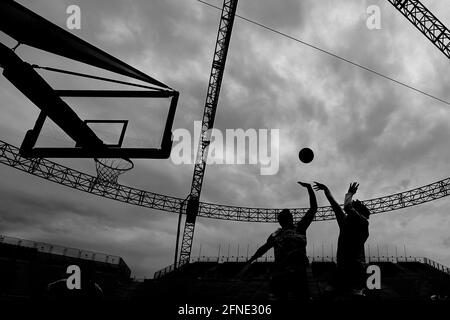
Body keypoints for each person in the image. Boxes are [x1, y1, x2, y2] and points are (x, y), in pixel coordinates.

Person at [244, 182, 317, 301]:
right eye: (284, 215)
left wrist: (309, 189)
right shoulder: (276, 234)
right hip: (281, 274)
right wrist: (251, 259)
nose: (287, 215)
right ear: (281, 220)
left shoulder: (299, 227)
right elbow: (263, 248)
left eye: (287, 214)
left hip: (298, 274)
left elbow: (313, 209)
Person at [313, 181, 370, 296]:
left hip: (354, 269)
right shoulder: (346, 221)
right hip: (344, 268)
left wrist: (349, 193)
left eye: (355, 207)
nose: (351, 209)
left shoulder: (362, 222)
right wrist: (326, 189)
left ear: (358, 211)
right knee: (329, 294)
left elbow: (347, 207)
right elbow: (334, 204)